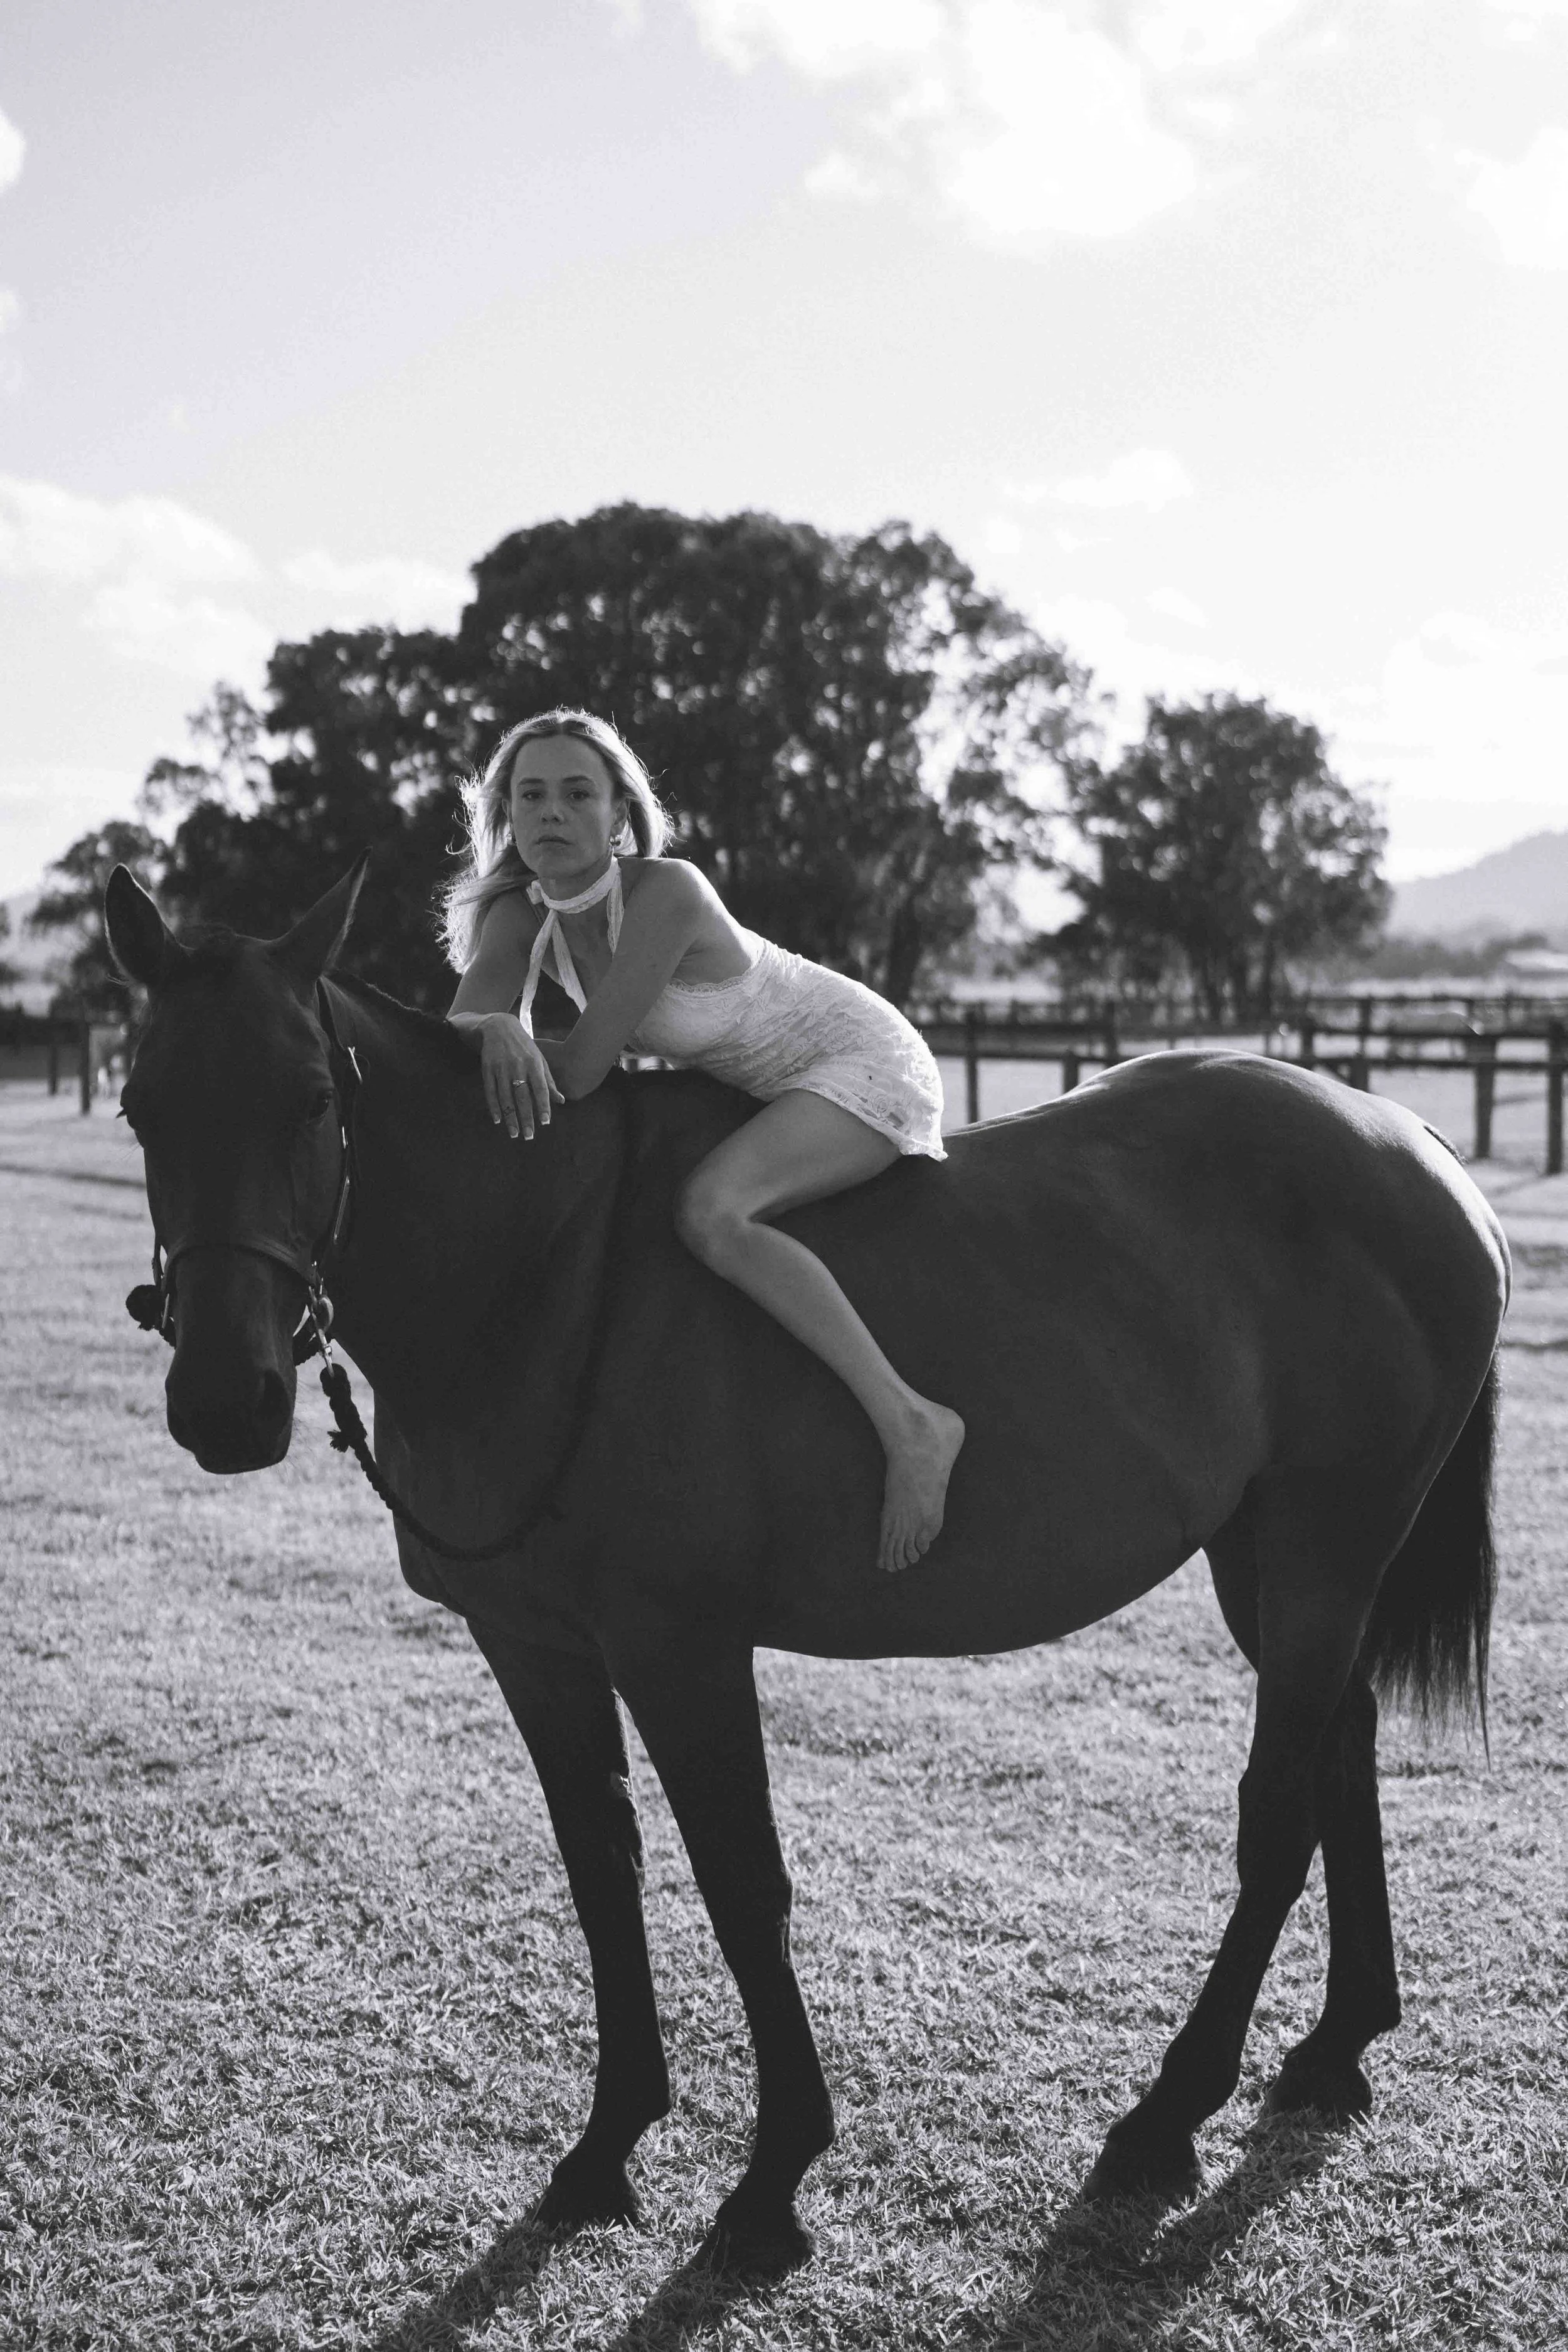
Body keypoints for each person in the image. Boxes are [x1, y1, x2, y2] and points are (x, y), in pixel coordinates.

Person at [443, 707, 965, 1574]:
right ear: (507, 814)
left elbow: (578, 1074)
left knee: (710, 1211)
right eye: (530, 796)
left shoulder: (666, 891)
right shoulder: (517, 911)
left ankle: (913, 1423)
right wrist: (486, 1026)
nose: (552, 814)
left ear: (618, 815)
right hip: (761, 1086)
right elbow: (459, 1031)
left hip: (858, 1059)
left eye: (578, 794)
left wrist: (499, 1029)